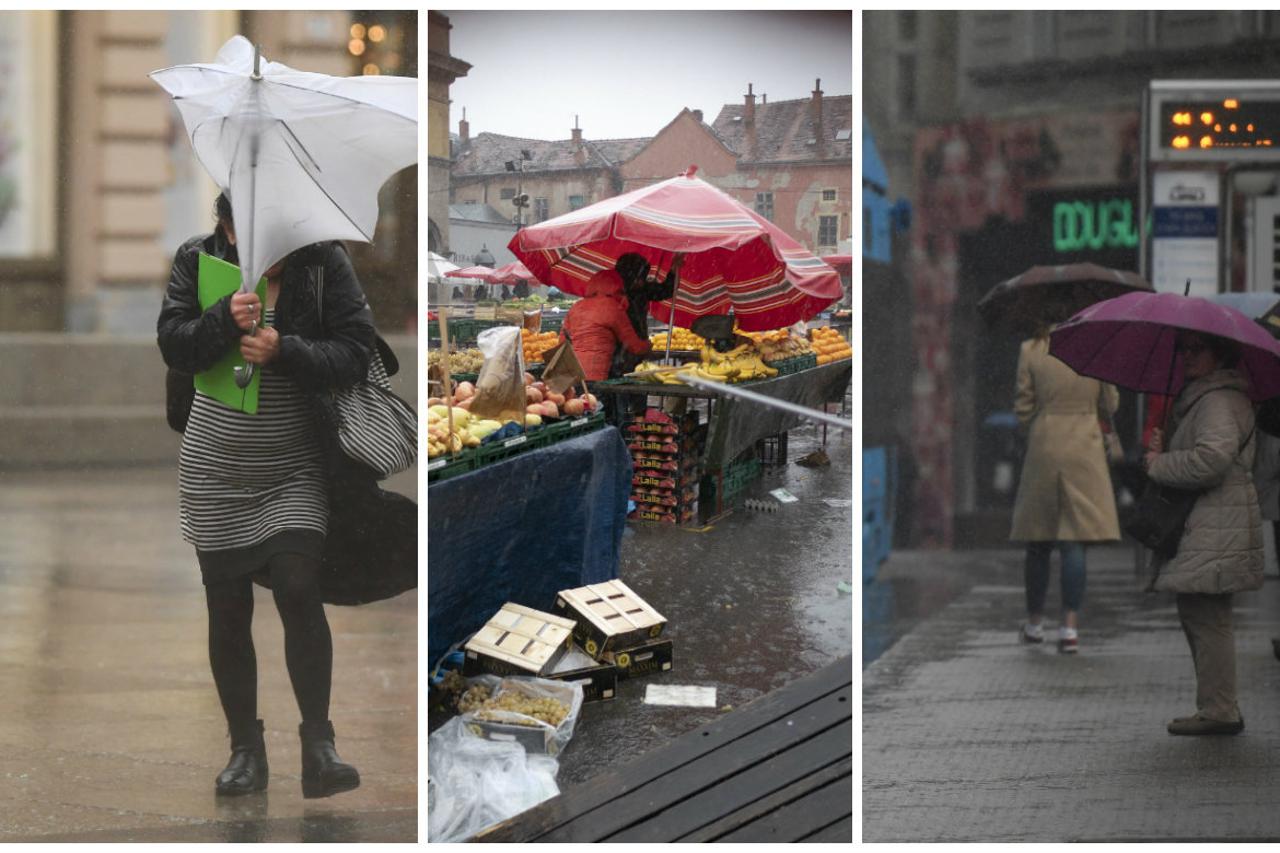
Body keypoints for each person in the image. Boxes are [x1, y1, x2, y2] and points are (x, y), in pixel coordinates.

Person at [156, 192, 372, 798]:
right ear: (226, 228)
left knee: (299, 589)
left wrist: (286, 349)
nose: (268, 251)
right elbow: (174, 343)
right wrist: (223, 319)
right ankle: (246, 751)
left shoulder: (323, 263)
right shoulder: (197, 259)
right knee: (228, 609)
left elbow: (357, 353)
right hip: (215, 469)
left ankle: (319, 747)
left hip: (293, 466)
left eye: (278, 236)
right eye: (250, 234)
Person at [1143, 330, 1262, 736]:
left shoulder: (1216, 400)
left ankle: (1219, 709)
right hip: (1213, 519)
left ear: (1221, 353)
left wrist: (1159, 464)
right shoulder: (1207, 398)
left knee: (1207, 616)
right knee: (1200, 612)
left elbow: (1212, 459)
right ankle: (1216, 704)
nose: (1187, 356)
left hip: (1215, 521)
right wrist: (1167, 447)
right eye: (1184, 348)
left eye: (1198, 349)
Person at [1009, 323, 1121, 654]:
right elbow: (1110, 404)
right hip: (1085, 447)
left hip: (1045, 444)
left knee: (1038, 541)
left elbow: (1023, 408)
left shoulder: (1032, 348)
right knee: (1074, 541)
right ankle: (1069, 629)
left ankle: (1034, 624)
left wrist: (1039, 424)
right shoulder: (1096, 346)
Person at [561, 268, 652, 382]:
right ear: (616, 286)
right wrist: (648, 345)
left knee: (578, 394)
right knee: (593, 394)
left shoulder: (576, 306)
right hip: (595, 374)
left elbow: (562, 343)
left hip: (570, 374)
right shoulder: (613, 307)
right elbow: (634, 346)